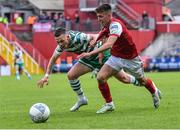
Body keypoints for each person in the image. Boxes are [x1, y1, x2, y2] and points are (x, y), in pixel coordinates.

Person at [78, 4, 162, 114]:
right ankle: (109, 104)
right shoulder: (105, 25)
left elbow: (109, 44)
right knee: (100, 77)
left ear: (109, 15)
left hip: (131, 58)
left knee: (142, 81)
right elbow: (103, 34)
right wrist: (96, 42)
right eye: (97, 16)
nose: (98, 19)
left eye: (101, 16)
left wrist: (90, 53)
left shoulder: (115, 25)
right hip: (116, 57)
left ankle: (153, 90)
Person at [37, 27, 140, 112]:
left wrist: (100, 53)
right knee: (71, 75)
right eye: (58, 42)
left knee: (124, 79)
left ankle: (143, 82)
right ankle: (82, 99)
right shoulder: (61, 47)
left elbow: (95, 37)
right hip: (88, 59)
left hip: (102, 55)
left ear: (68, 37)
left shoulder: (79, 37)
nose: (60, 44)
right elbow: (53, 59)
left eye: (62, 41)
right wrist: (46, 76)